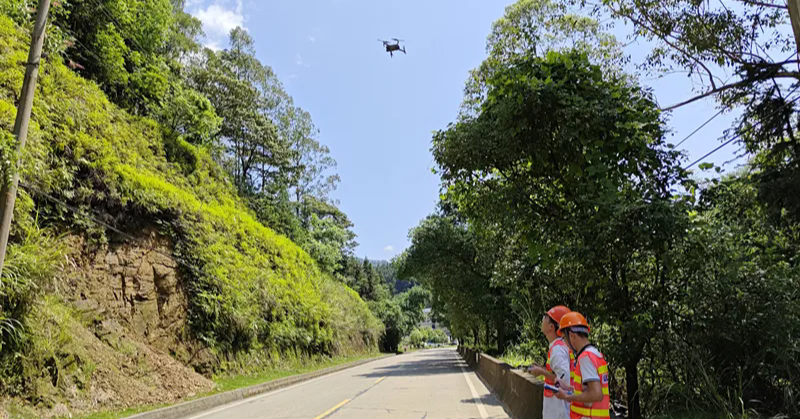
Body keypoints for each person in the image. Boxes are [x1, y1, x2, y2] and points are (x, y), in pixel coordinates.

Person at [555, 312, 610, 419]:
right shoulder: (595, 354)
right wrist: (566, 387)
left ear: (572, 335)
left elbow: (596, 394)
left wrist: (567, 396)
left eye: (565, 339)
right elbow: (586, 390)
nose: (565, 344)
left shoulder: (585, 358)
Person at [527, 305, 573, 419]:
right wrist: (542, 369)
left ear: (551, 326)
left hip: (558, 410)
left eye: (545, 318)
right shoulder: (558, 346)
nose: (542, 320)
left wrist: (542, 373)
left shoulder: (558, 350)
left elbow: (563, 380)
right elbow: (556, 373)